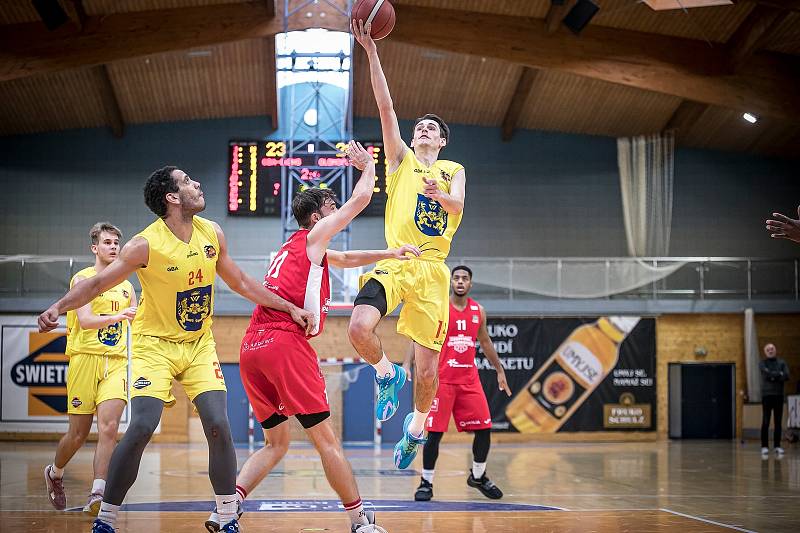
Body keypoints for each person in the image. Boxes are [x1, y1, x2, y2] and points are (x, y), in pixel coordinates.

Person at [38, 167, 314, 533]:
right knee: (140, 427)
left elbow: (243, 282)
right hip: (155, 345)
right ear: (171, 197)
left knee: (218, 424)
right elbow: (98, 283)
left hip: (199, 345)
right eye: (186, 181)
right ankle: (106, 519)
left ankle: (228, 515)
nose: (196, 184)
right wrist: (59, 306)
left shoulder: (212, 232)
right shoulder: (144, 245)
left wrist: (288, 306)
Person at [204, 141, 405, 533]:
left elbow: (344, 259)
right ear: (317, 217)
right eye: (331, 207)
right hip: (284, 343)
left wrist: (389, 252)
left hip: (251, 347)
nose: (337, 211)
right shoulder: (314, 236)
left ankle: (227, 510)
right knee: (327, 442)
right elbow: (362, 199)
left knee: (275, 443)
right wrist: (368, 167)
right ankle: (360, 521)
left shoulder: (293, 247)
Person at [349, 19, 467, 470]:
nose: (423, 129)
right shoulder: (399, 163)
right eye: (419, 126)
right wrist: (370, 50)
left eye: (431, 128)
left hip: (434, 271)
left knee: (428, 371)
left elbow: (457, 206)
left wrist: (443, 196)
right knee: (359, 327)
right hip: (397, 259)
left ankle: (415, 430)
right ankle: (384, 375)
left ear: (442, 141)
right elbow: (385, 104)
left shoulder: (454, 168)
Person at [44, 222, 137, 515]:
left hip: (117, 363)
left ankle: (98, 491)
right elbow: (84, 319)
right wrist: (119, 315)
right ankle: (55, 473)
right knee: (78, 434)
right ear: (94, 248)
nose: (113, 247)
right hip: (85, 359)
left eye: (116, 243)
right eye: (107, 242)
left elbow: (138, 324)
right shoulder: (81, 279)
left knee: (109, 428)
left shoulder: (127, 286)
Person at [402, 266, 511, 501]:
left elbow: (485, 341)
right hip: (442, 381)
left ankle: (478, 476)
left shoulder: (478, 310)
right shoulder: (440, 307)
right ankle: (426, 483)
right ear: (451, 282)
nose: (460, 281)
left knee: (484, 429)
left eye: (465, 278)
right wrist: (405, 364)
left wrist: (499, 370)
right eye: (457, 278)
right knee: (434, 435)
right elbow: (418, 337)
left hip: (469, 380)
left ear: (470, 284)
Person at [760, 343, 790, 457]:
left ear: (775, 350)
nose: (770, 350)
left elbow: (786, 375)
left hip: (779, 396)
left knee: (778, 422)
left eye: (772, 348)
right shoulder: (762, 363)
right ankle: (764, 447)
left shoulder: (782, 362)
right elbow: (766, 374)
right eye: (768, 349)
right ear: (765, 351)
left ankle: (777, 446)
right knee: (766, 421)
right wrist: (778, 374)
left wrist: (773, 375)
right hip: (767, 396)